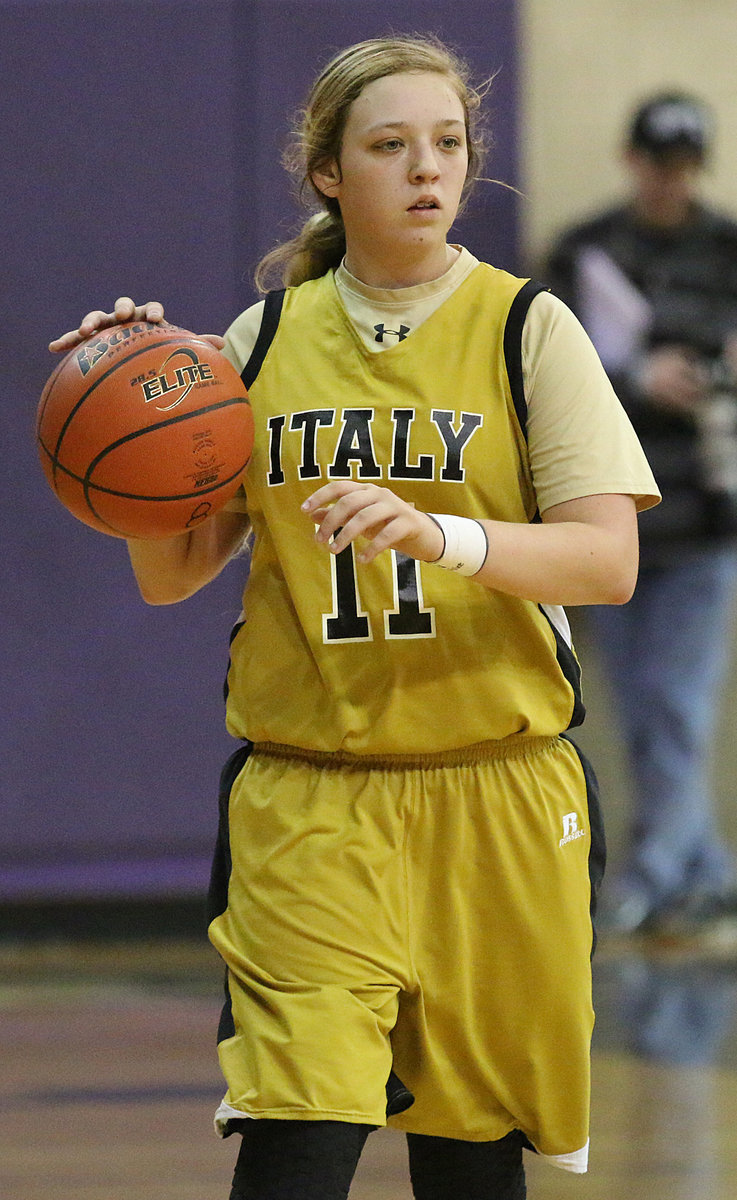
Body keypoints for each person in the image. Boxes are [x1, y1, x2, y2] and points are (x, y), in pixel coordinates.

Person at [50, 36, 658, 1200]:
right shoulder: (258, 343)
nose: (425, 169)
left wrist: (443, 536)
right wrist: (123, 413)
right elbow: (169, 575)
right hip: (311, 801)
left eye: (446, 144)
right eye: (389, 146)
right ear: (328, 171)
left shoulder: (525, 328)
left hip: (497, 795)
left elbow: (605, 560)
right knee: (296, 1142)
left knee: (469, 1169)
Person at [545, 92, 737, 938]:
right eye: (657, 163)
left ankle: (659, 875)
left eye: (683, 166)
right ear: (631, 161)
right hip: (613, 519)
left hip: (703, 516)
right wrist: (635, 382)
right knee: (637, 705)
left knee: (677, 707)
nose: (669, 180)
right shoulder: (584, 253)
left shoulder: (728, 250)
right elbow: (548, 382)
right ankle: (704, 874)